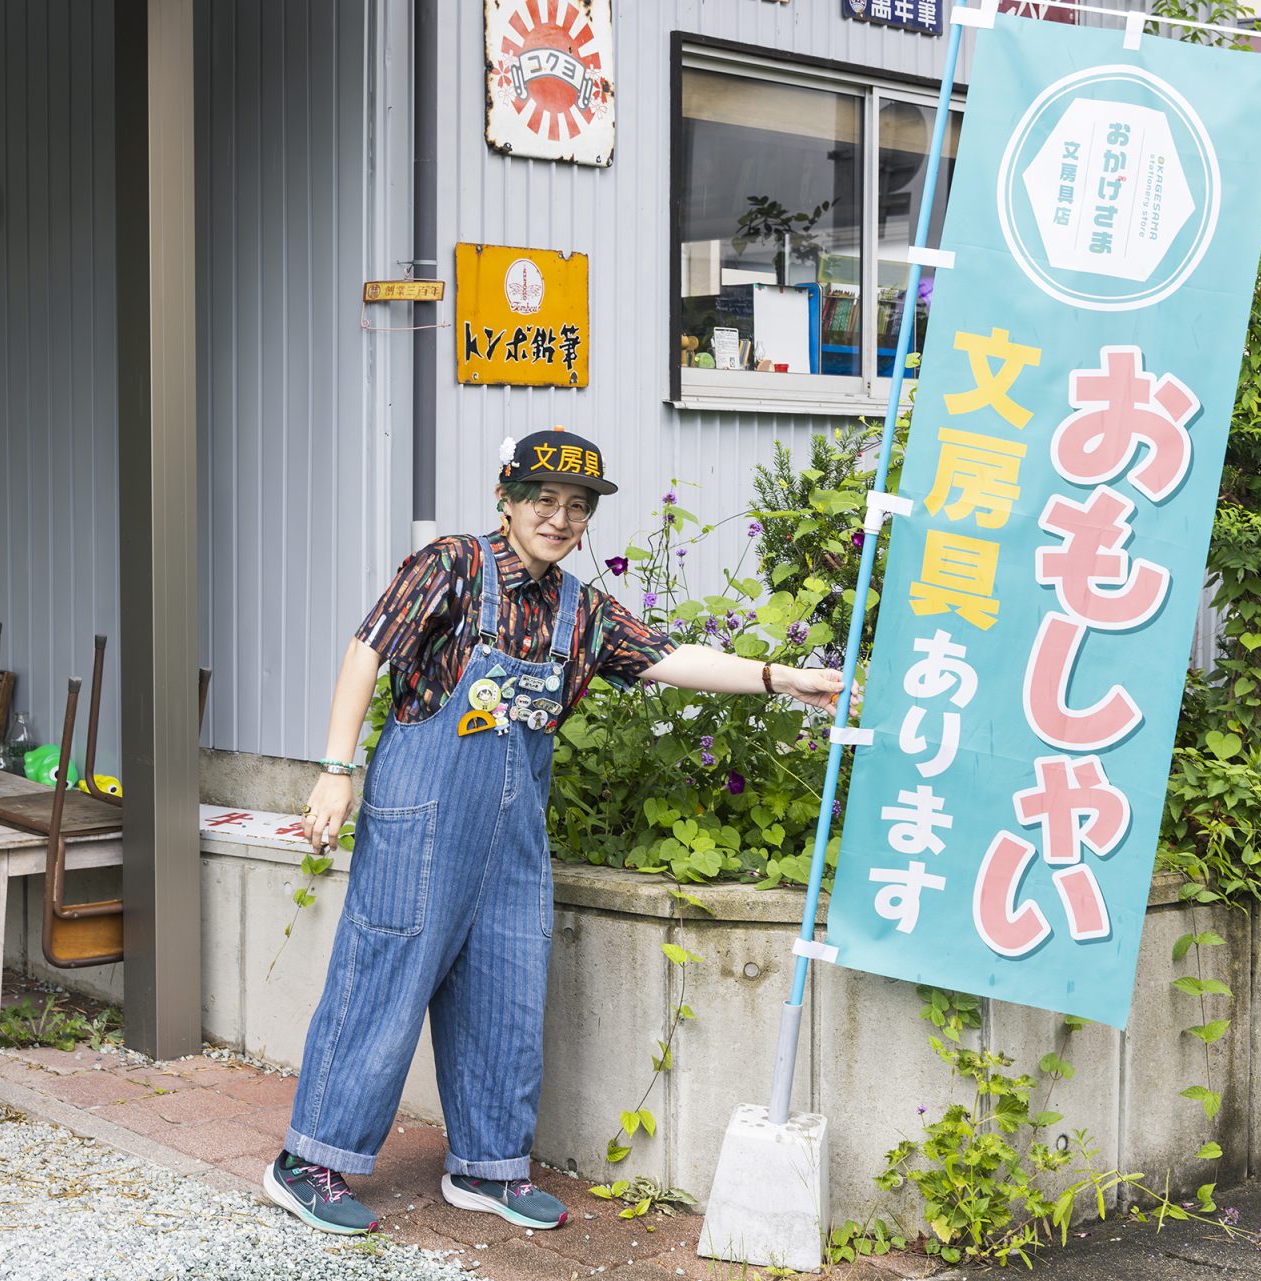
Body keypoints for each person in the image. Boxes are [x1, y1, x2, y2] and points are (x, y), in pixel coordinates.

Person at [264, 428, 850, 1236]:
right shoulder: (452, 567)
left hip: (513, 833)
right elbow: (369, 649)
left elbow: (669, 656)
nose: (561, 516)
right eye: (545, 499)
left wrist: (785, 678)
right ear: (506, 500)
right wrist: (336, 768)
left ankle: (488, 1166)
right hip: (421, 814)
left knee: (507, 982)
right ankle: (310, 1160)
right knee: (386, 976)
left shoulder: (582, 609)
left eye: (577, 506)